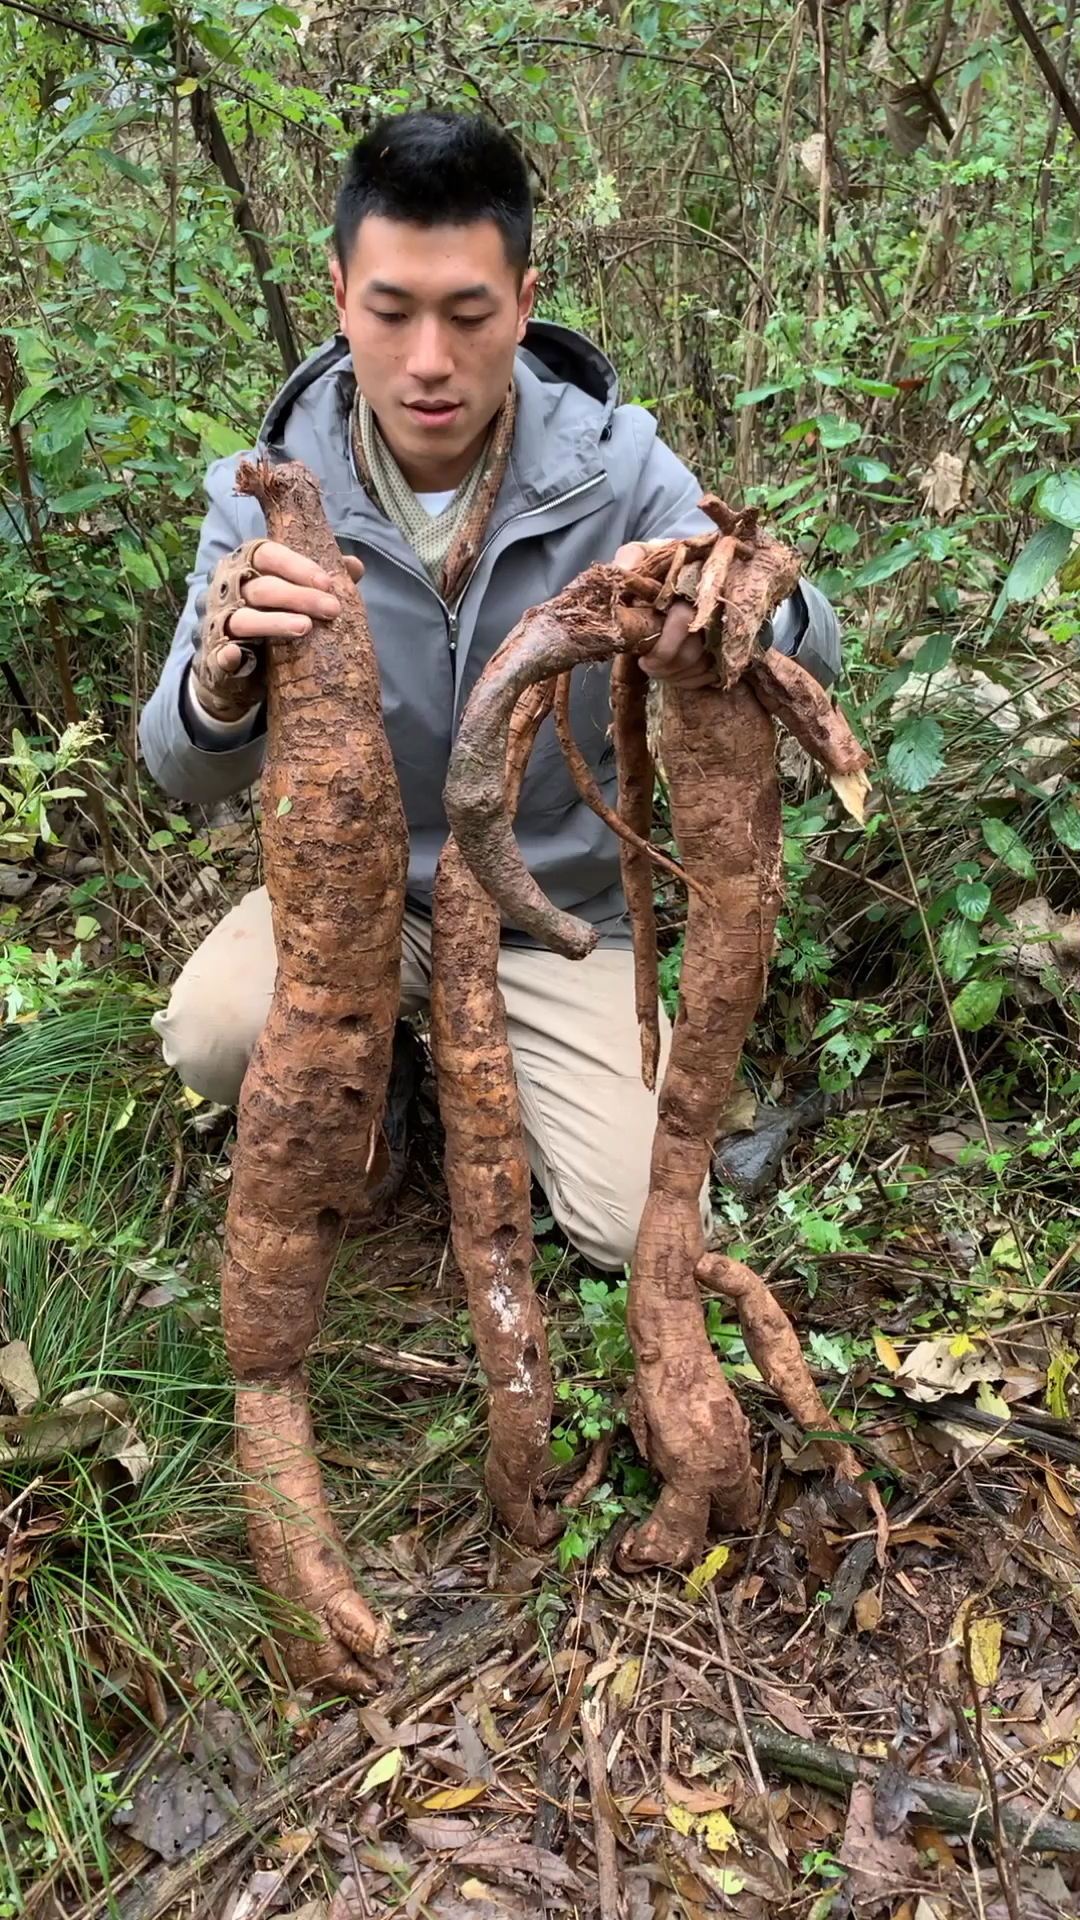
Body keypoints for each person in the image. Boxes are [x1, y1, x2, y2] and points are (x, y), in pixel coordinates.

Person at [140, 109, 840, 1271]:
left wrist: (725, 613)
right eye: (391, 310)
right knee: (214, 1036)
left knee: (636, 1230)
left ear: (522, 301)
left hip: (556, 919)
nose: (428, 361)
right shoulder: (270, 490)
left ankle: (495, 1060)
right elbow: (177, 763)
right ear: (337, 294)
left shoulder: (613, 469)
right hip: (355, 906)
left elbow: (806, 652)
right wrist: (221, 682)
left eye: (468, 315)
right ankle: (386, 1089)